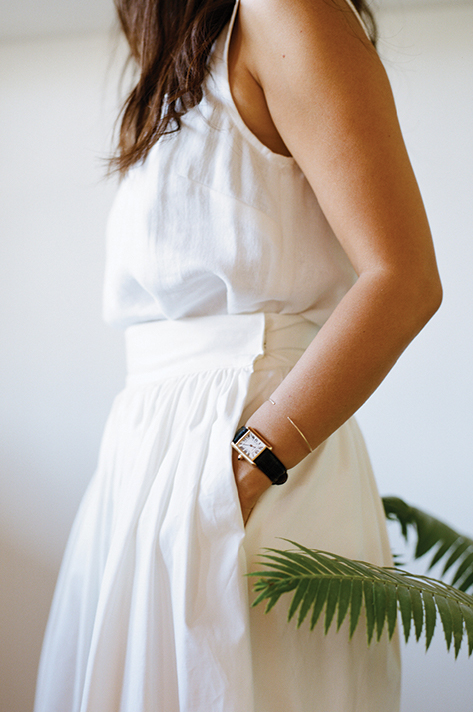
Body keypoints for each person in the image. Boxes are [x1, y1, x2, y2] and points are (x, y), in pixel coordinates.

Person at [34, 0, 442, 710]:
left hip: (249, 455)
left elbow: (403, 281)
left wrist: (247, 470)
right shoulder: (181, 63)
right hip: (149, 463)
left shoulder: (283, 11)